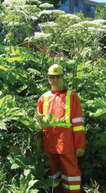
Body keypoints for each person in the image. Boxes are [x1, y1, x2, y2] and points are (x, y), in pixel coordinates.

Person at [37, 64, 86, 193]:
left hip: (67, 143)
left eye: (57, 76)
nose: (55, 80)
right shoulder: (44, 98)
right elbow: (37, 123)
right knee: (52, 173)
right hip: (49, 143)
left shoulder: (71, 96)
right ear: (48, 78)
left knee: (71, 173)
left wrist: (80, 145)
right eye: (52, 77)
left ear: (62, 77)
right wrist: (38, 142)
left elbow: (78, 123)